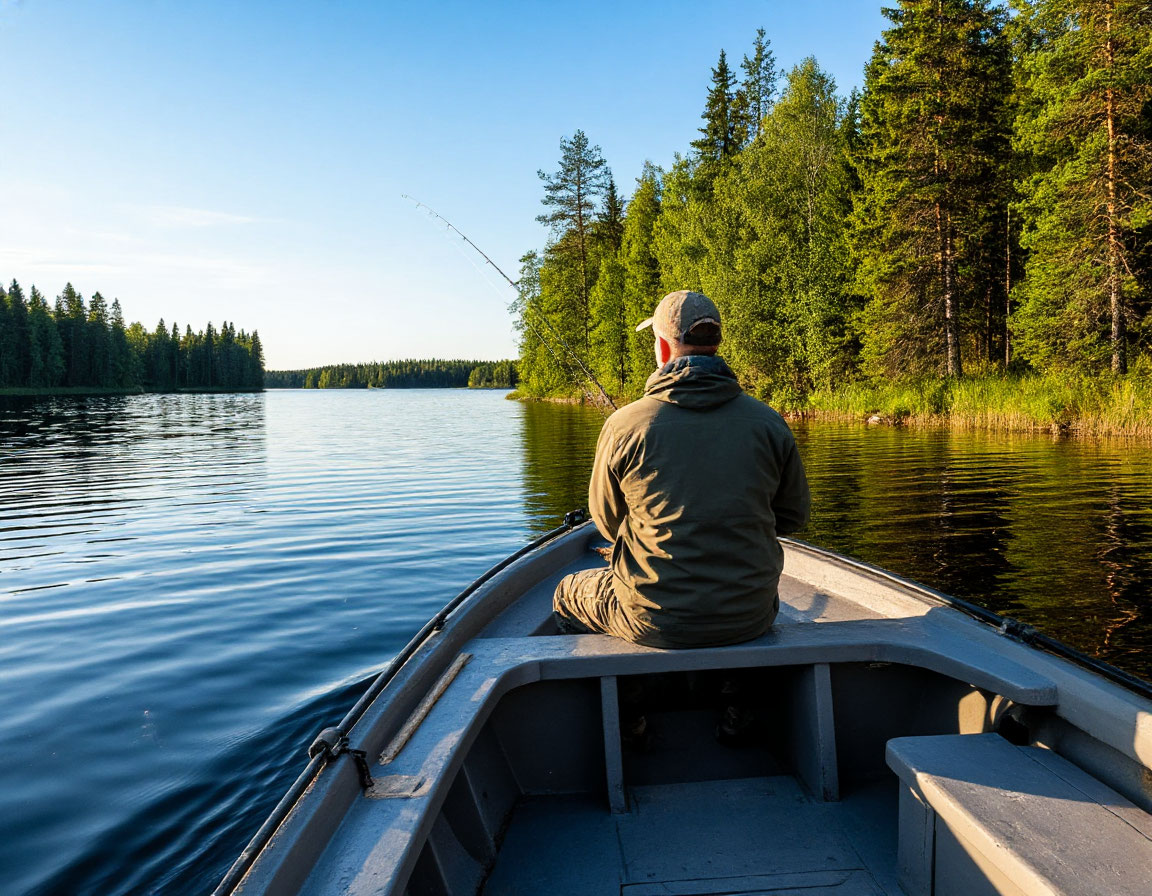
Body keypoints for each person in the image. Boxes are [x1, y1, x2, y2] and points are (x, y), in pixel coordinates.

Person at [553, 289, 810, 649]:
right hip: (751, 616)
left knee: (566, 593)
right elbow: (793, 516)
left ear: (662, 347)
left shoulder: (624, 425)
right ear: (714, 343)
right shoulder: (769, 422)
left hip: (651, 619)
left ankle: (623, 679)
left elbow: (608, 522)